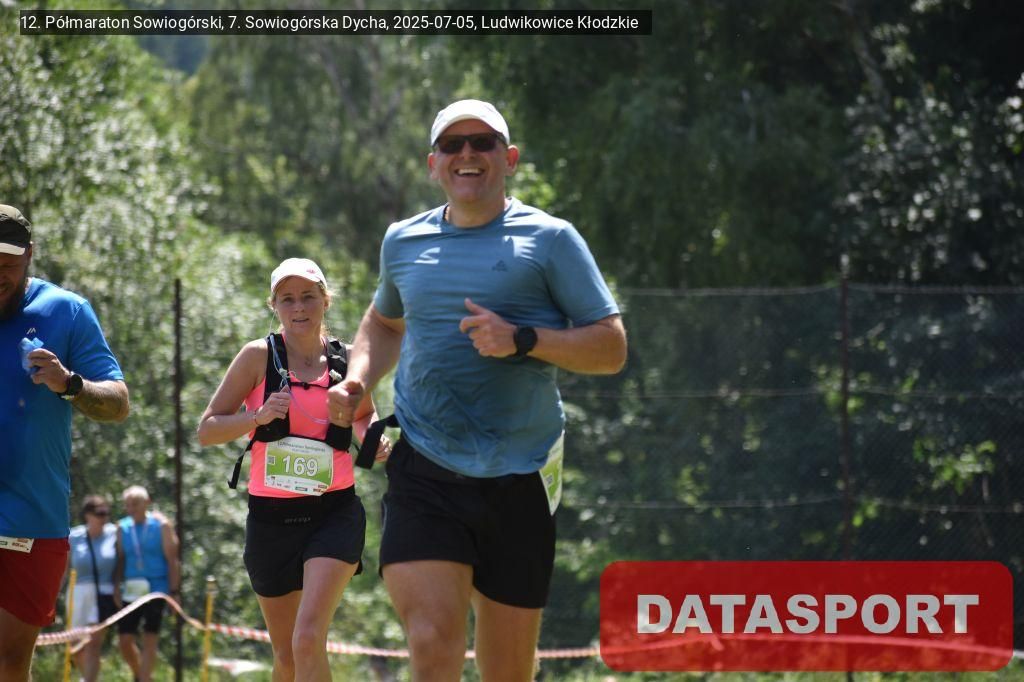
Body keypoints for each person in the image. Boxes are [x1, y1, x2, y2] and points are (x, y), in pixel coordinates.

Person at [328, 100, 628, 681]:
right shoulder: (403, 241)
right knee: (432, 641)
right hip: (426, 468)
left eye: (483, 143)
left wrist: (523, 339)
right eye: (453, 145)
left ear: (508, 158)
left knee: (506, 672)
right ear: (433, 164)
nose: (467, 154)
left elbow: (610, 347)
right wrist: (359, 377)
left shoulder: (551, 240)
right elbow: (384, 322)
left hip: (520, 473)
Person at [197, 257, 388, 680]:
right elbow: (207, 430)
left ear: (325, 300)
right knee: (286, 656)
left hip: (334, 513)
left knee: (307, 639)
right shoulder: (257, 357)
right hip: (271, 519)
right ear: (274, 306)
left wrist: (373, 439)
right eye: (287, 299)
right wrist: (257, 417)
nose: (298, 307)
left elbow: (364, 415)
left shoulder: (348, 359)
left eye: (307, 297)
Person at [0, 204, 129, 681]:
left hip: (32, 521)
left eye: (8, 265)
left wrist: (69, 384)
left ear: (29, 256)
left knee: (10, 661)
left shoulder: (66, 311)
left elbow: (118, 403)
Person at [113, 485, 180, 682]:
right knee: (125, 640)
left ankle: (144, 678)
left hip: (157, 588)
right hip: (131, 588)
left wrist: (174, 592)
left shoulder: (161, 526)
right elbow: (120, 559)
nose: (131, 508)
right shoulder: (122, 528)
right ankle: (141, 675)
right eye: (127, 505)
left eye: (135, 504)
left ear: (147, 503)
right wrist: (116, 586)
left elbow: (173, 561)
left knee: (150, 637)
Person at [66, 495, 119, 682]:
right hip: (78, 593)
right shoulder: (74, 536)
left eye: (106, 513)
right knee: (74, 644)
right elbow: (64, 569)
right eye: (99, 513)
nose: (104, 517)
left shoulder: (115, 533)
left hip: (103, 593)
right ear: (88, 515)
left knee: (93, 643)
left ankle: (89, 679)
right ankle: (89, 677)